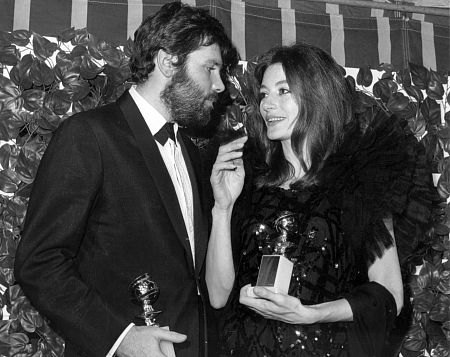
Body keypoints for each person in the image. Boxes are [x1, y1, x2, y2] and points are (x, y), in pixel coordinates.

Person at [14, 2, 237, 357]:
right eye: (210, 68)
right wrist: (121, 338)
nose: (219, 85)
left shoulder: (191, 152)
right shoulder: (88, 135)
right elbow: (38, 262)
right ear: (168, 63)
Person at [207, 43, 431, 356]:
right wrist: (222, 207)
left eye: (284, 91)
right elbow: (218, 297)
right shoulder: (248, 180)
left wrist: (311, 313)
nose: (268, 105)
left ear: (315, 95)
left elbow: (390, 295)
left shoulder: (359, 182)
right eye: (264, 94)